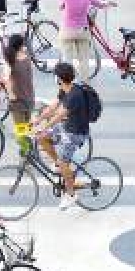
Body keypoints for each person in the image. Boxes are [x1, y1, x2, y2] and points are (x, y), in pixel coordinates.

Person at [31, 62, 92, 210]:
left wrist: (43, 127)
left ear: (59, 78)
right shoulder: (65, 88)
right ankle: (59, 164)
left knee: (65, 163)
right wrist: (37, 121)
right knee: (42, 139)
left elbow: (59, 115)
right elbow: (53, 107)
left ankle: (71, 195)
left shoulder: (74, 95)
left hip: (75, 133)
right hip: (66, 127)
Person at [58, 0, 113, 84]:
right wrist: (109, 3)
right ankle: (85, 84)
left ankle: (66, 84)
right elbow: (100, 4)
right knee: (83, 60)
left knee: (67, 59)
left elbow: (61, 7)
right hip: (83, 31)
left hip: (67, 31)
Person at [2, 34, 35, 155]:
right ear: (21, 46)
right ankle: (28, 149)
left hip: (18, 99)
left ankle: (26, 150)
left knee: (21, 130)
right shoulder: (27, 57)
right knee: (26, 126)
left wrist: (11, 94)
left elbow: (6, 79)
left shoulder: (10, 59)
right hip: (29, 97)